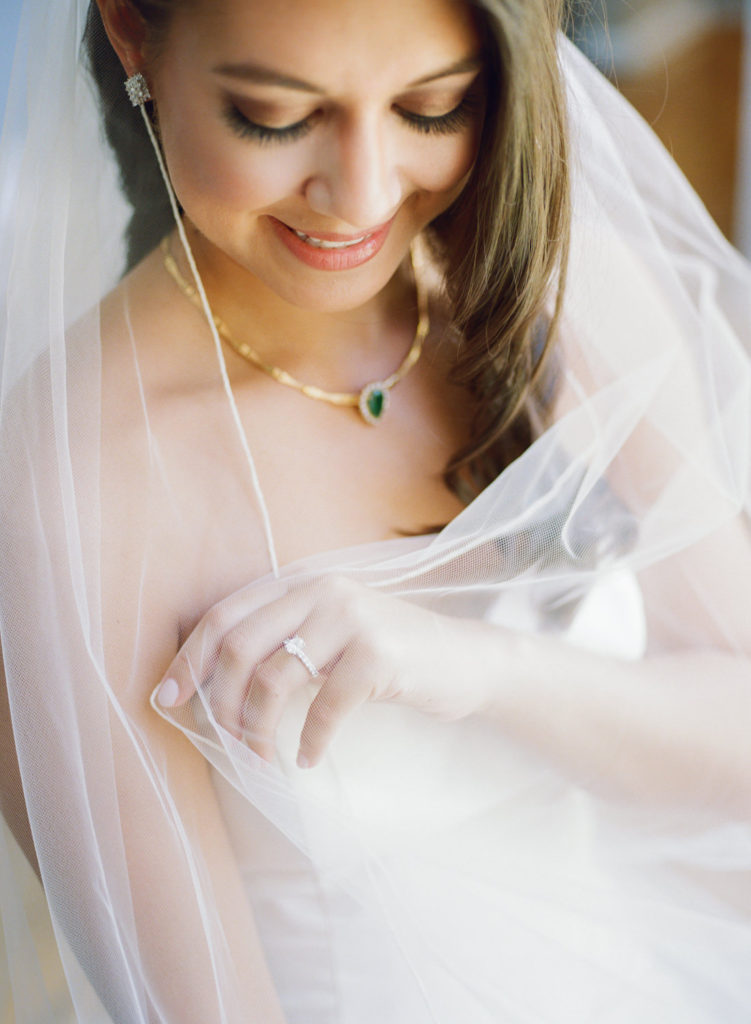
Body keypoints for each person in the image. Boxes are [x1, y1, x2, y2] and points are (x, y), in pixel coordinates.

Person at [1, 0, 751, 1021]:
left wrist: (472, 669)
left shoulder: (556, 295)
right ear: (133, 30)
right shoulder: (71, 492)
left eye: (431, 109)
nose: (359, 195)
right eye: (274, 117)